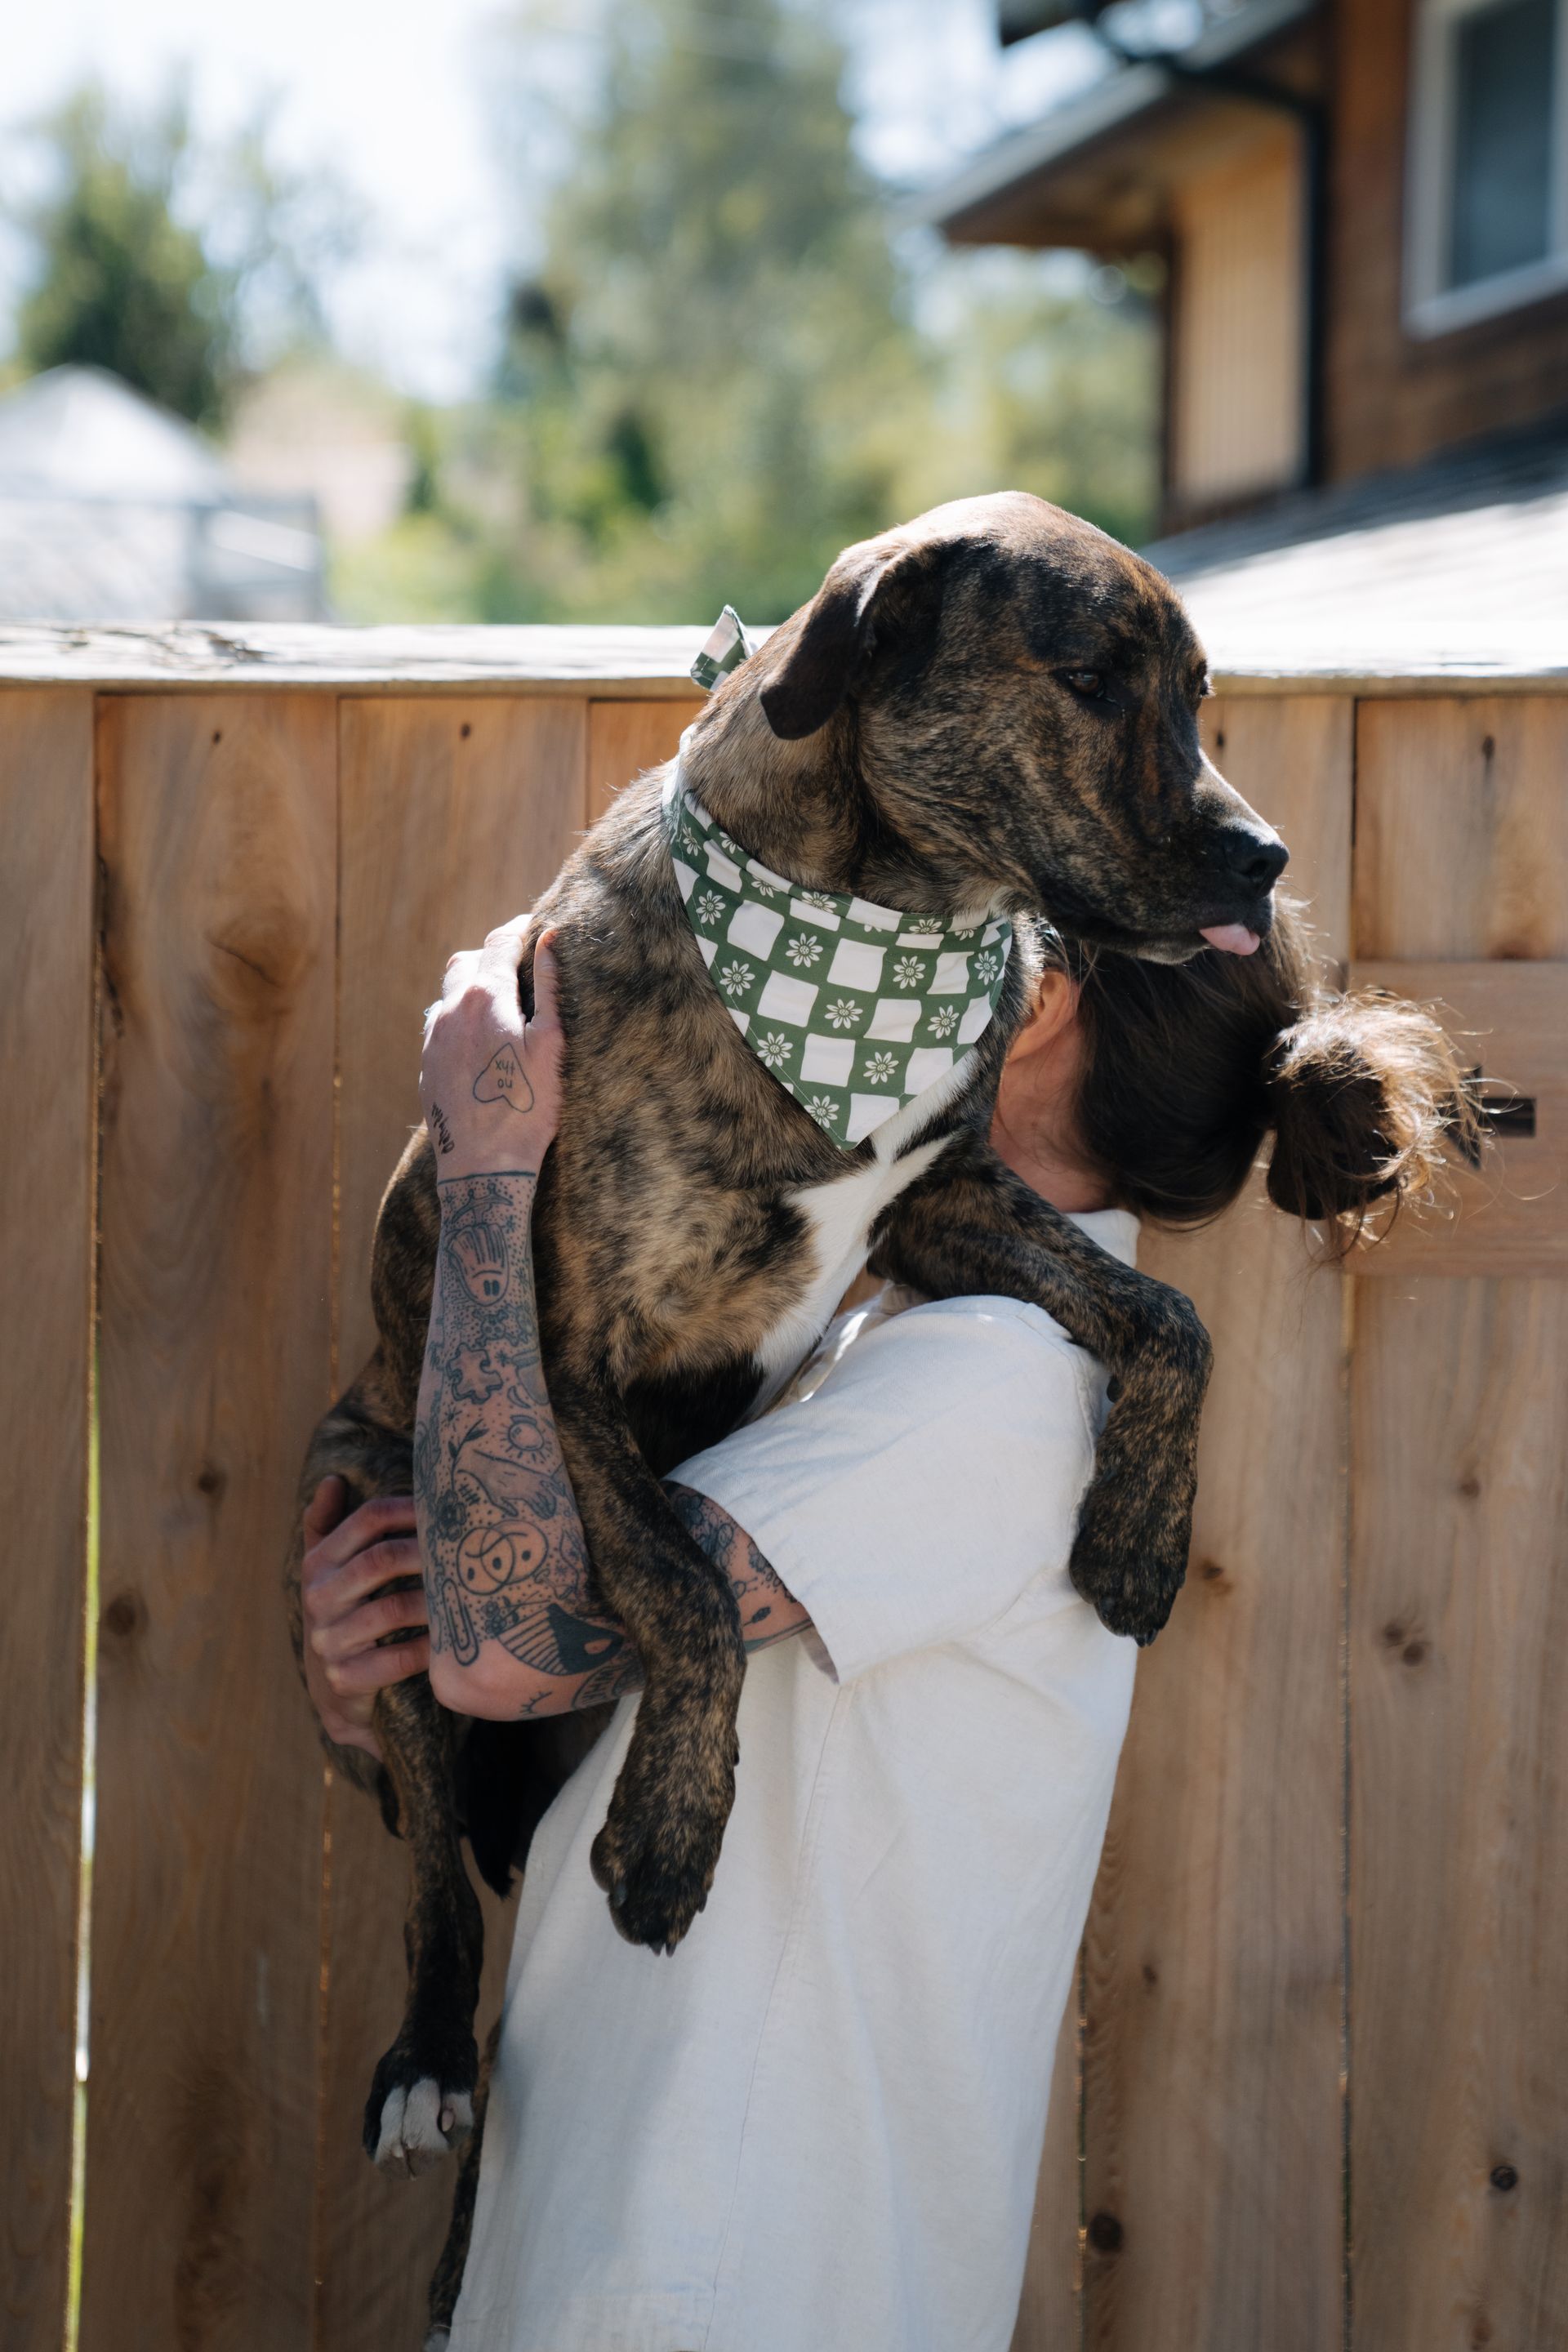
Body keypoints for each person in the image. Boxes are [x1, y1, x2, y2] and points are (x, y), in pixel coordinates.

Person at [300, 907, 1463, 2352]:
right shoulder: (894, 1346)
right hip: (663, 2250)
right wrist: (373, 1687)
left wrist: (485, 1164)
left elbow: (510, 1649)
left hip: (723, 2273)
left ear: (1034, 1003)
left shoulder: (991, 1388)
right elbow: (554, 1696)